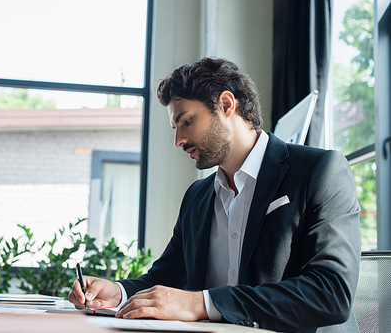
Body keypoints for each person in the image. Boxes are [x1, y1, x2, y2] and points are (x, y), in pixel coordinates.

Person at [68, 58, 361, 332]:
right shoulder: (197, 197)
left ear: (225, 104)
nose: (178, 140)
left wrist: (203, 304)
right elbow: (166, 277)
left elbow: (332, 293)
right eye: (175, 127)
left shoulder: (320, 170)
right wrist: (118, 293)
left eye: (186, 121)